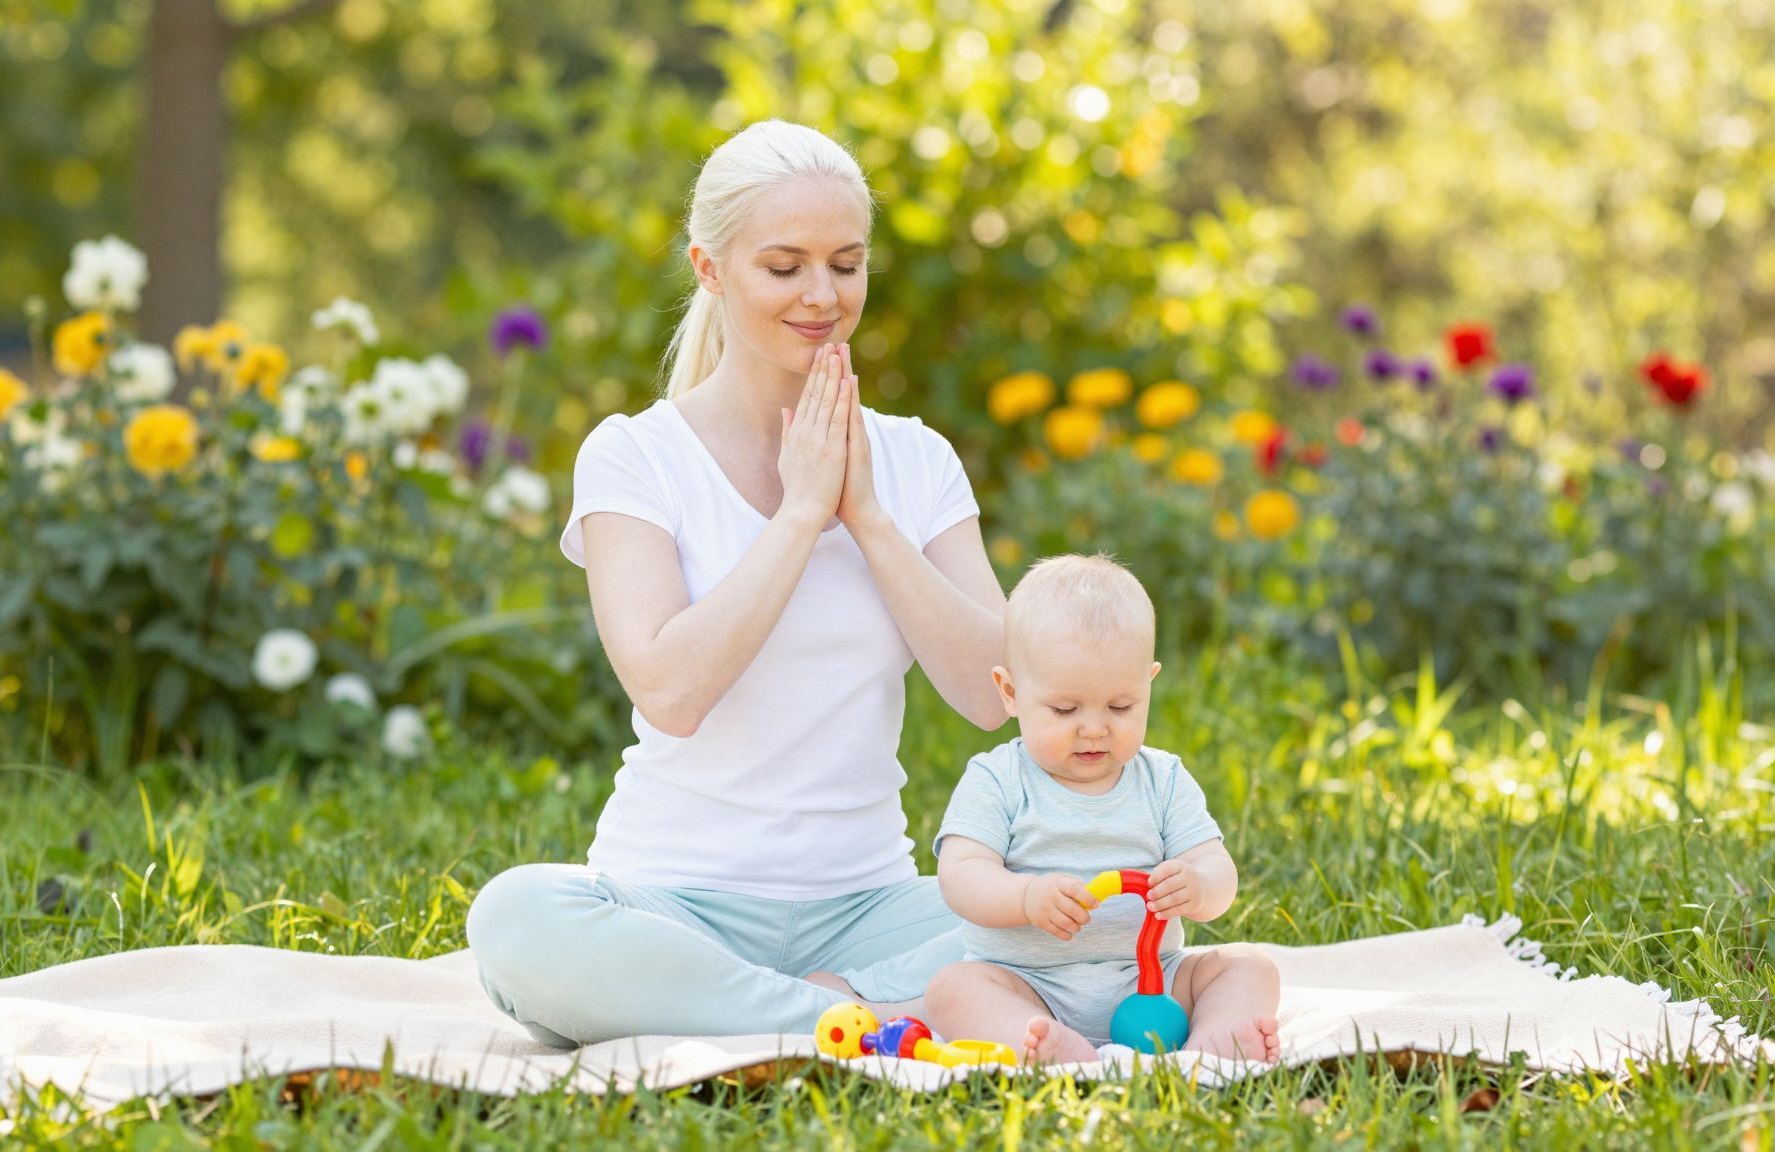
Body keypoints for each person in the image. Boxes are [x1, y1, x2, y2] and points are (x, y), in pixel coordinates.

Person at [466, 119, 1009, 1047]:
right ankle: (855, 1020)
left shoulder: (915, 460)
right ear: (711, 270)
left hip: (869, 909)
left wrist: (868, 517)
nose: (823, 295)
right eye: (784, 265)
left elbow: (997, 695)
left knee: (1075, 904)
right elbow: (671, 692)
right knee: (516, 922)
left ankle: (797, 1009)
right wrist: (800, 515)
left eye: (846, 263)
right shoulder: (635, 455)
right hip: (675, 903)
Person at [923, 554, 1282, 1064]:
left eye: (1120, 707)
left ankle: (1214, 1044)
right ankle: (1047, 1043)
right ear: (1010, 692)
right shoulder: (997, 779)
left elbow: (1218, 871)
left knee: (1250, 966)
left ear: (1148, 685)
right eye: (1065, 710)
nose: (1094, 728)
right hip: (1031, 985)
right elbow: (960, 876)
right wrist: (1024, 897)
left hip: (1154, 984)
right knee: (952, 989)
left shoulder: (1164, 780)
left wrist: (1198, 886)